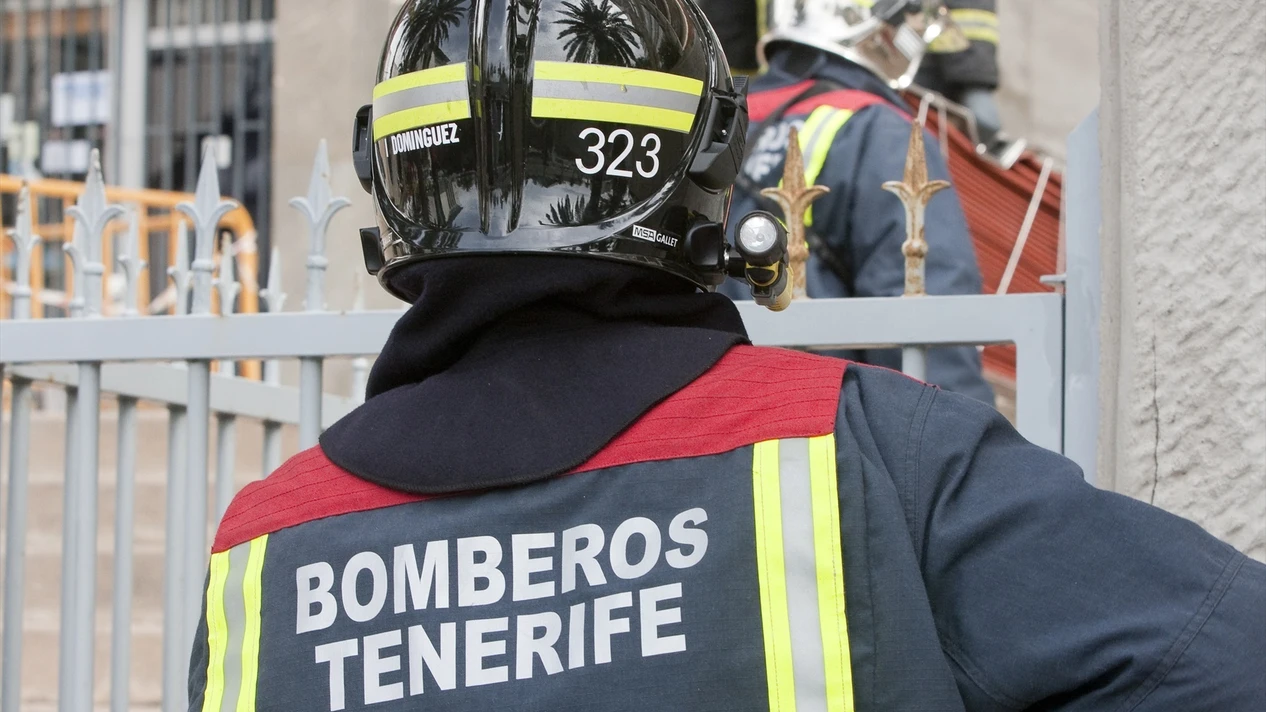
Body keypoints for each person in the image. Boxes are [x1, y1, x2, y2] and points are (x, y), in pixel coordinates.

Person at [187, 1, 1265, 710]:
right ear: (700, 173)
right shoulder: (872, 453)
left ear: (401, 186)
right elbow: (1227, 654)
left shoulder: (261, 551)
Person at [701, 0, 995, 405]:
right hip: (818, 427)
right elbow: (929, 344)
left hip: (699, 422)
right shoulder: (884, 134)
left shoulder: (715, 127)